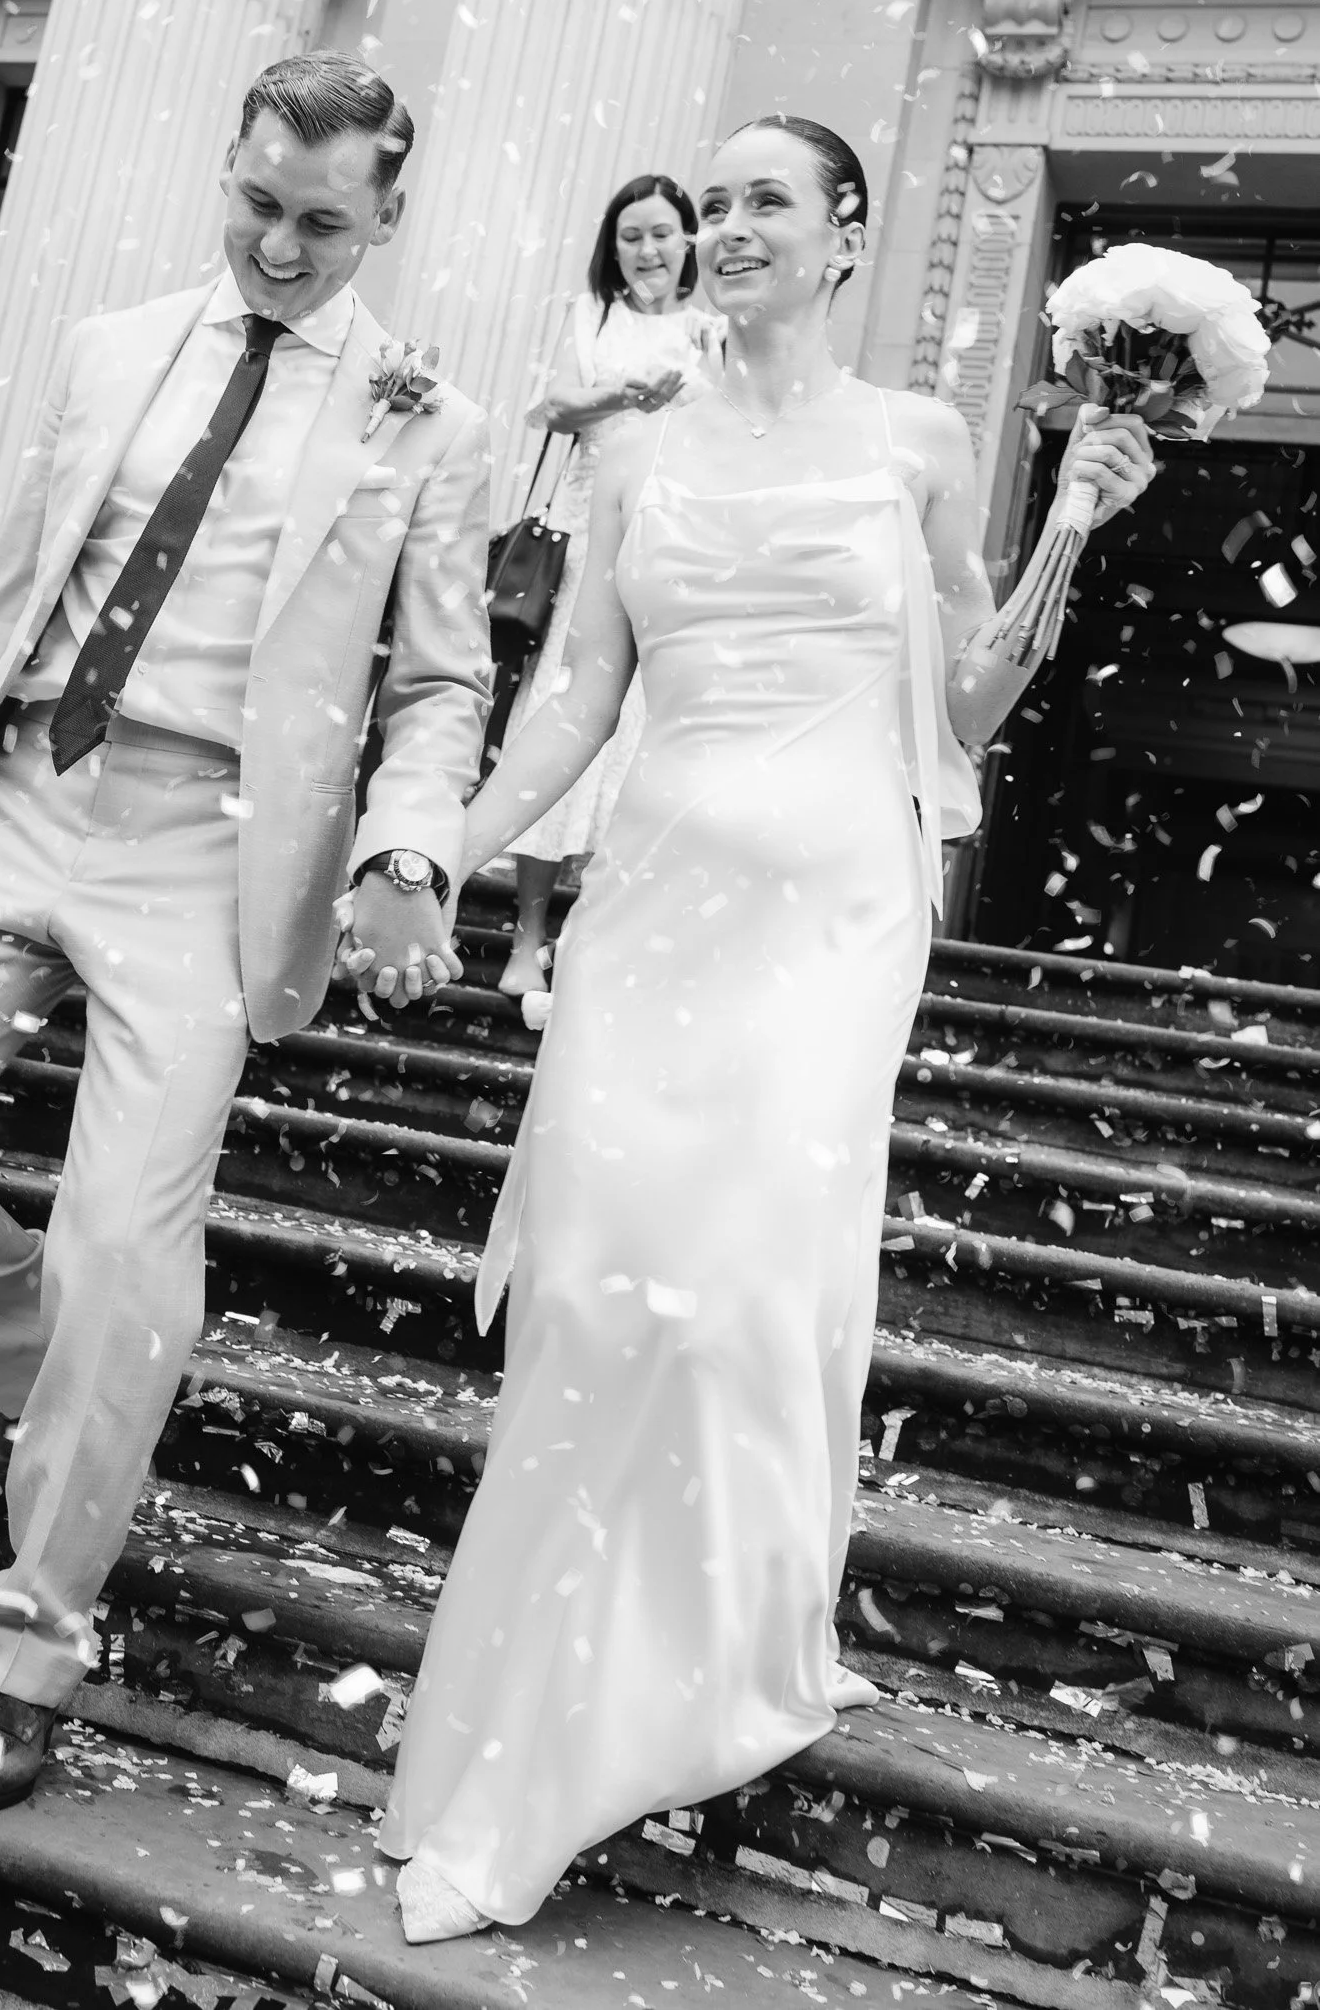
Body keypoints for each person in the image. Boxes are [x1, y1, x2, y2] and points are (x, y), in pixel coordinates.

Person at [378, 112, 1156, 1942]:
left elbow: (963, 707)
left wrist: (1066, 529)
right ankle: (585, 1694)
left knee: (729, 1287)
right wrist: (425, 849)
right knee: (591, 1293)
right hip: (652, 911)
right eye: (709, 202)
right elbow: (570, 706)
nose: (726, 228)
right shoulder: (637, 454)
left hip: (830, 915)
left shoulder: (913, 441)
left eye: (763, 203)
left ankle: (712, 1664)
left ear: (844, 233)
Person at [0, 52, 492, 1816]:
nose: (279, 244)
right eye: (257, 202)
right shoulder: (107, 346)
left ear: (384, 214)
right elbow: (30, 577)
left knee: (125, 1250)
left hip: (211, 843)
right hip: (18, 785)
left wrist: (410, 857)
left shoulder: (425, 421)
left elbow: (444, 683)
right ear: (226, 171)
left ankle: (22, 1658)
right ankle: (75, 1397)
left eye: (323, 221)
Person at [498, 175, 717, 1000]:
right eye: (631, 236)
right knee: (560, 721)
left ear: (688, 240)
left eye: (662, 233)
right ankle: (525, 934)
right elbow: (547, 407)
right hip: (588, 544)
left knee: (636, 736)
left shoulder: (711, 331)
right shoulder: (591, 318)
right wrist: (621, 396)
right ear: (611, 246)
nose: (648, 251)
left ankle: (594, 930)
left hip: (669, 548)